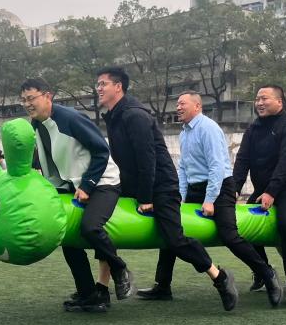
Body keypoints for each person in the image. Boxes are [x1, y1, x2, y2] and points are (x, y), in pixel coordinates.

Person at [97, 66, 238, 311]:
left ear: (118, 87)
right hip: (132, 184)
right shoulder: (114, 116)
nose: (98, 89)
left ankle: (220, 277)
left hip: (160, 186)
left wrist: (145, 197)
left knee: (174, 239)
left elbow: (147, 159)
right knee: (103, 224)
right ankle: (102, 288)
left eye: (103, 84)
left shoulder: (134, 115)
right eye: (97, 84)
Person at [144, 91, 282, 306]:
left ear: (197, 106)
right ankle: (162, 286)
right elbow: (184, 168)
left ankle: (267, 274)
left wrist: (210, 199)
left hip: (219, 187)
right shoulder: (184, 133)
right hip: (195, 188)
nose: (178, 107)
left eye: (182, 104)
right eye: (177, 104)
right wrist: (180, 198)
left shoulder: (208, 128)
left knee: (229, 236)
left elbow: (217, 166)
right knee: (171, 229)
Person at [21, 77, 132, 312]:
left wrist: (88, 185)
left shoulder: (71, 118)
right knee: (68, 238)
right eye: (24, 100)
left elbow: (101, 151)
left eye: (31, 98)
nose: (27, 104)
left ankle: (119, 268)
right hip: (69, 184)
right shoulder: (36, 124)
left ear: (47, 96)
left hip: (103, 182)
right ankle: (88, 293)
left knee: (90, 227)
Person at [232, 85, 286, 302]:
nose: (259, 103)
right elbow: (242, 160)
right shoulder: (253, 128)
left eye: (264, 98)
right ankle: (263, 270)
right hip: (263, 188)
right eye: (257, 99)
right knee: (241, 223)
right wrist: (234, 190)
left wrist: (271, 192)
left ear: (279, 102)